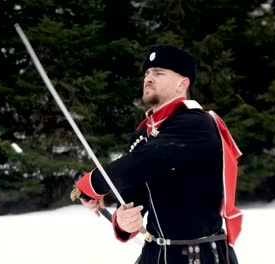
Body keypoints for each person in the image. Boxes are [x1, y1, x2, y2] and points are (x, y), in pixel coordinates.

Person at [72, 45, 242, 264]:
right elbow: (133, 194)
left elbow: (143, 162)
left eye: (159, 73)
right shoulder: (144, 134)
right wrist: (124, 221)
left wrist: (92, 184)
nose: (149, 78)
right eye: (147, 73)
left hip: (201, 256)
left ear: (183, 83)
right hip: (154, 255)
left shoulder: (196, 123)